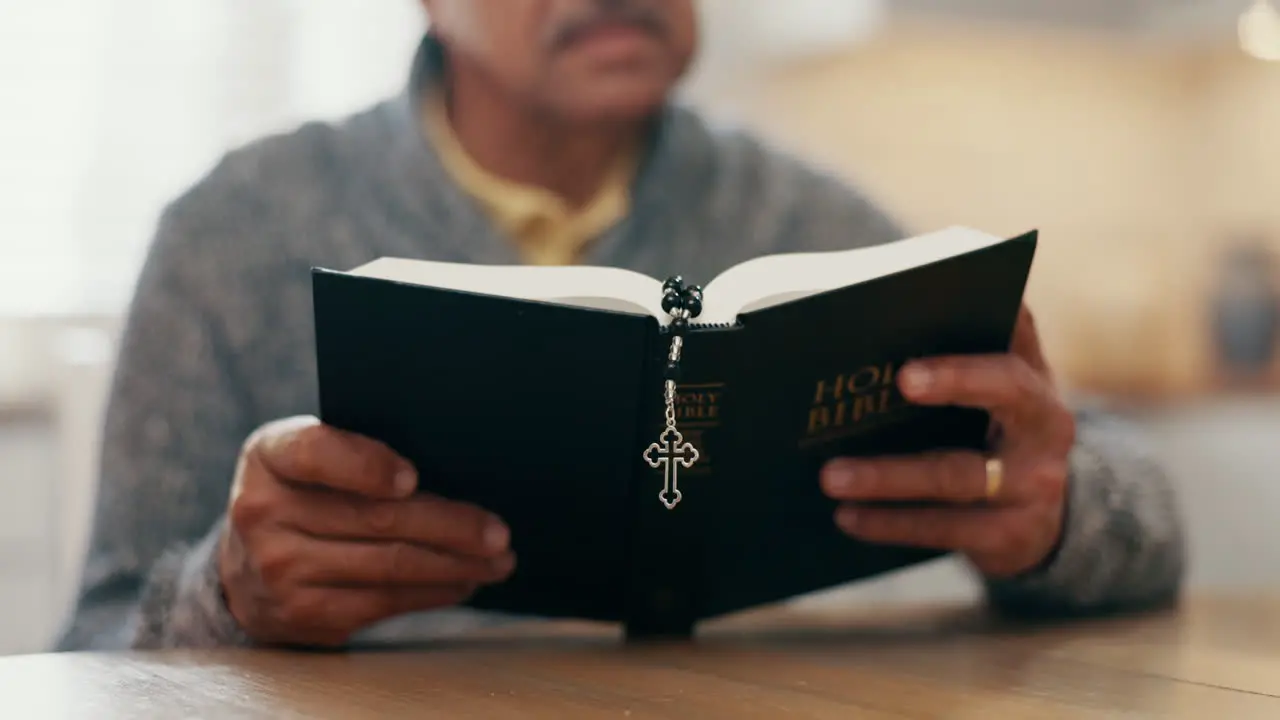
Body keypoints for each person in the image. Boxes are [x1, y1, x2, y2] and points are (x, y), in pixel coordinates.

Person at [56, 0, 1185, 651]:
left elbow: (1144, 513)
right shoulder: (232, 231)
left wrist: (1048, 508)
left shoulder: (801, 216)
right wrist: (226, 592)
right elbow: (92, 651)